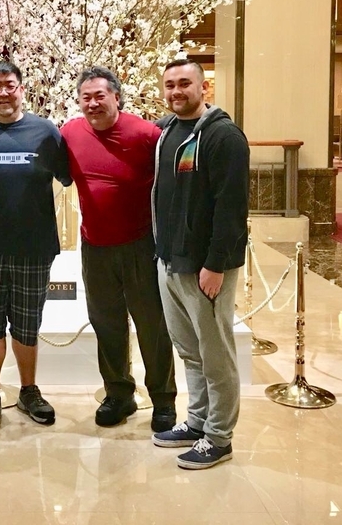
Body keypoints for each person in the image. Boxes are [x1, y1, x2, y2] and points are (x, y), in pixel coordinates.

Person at [0, 61, 71, 434]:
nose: (3, 92)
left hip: (33, 249)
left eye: (10, 85)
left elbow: (73, 174)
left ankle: (28, 390)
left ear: (22, 89)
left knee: (27, 325)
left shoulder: (45, 132)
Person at [60, 66, 177, 433]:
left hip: (141, 246)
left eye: (100, 96)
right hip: (94, 246)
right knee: (107, 324)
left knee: (151, 327)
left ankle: (163, 399)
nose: (93, 103)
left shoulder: (147, 134)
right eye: (86, 97)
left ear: (116, 97)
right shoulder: (69, 133)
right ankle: (118, 393)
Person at [151, 58, 249, 470]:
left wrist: (216, 264)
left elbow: (231, 207)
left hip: (204, 268)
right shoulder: (167, 131)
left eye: (185, 84)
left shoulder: (223, 136)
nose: (177, 92)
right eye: (170, 84)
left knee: (216, 354)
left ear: (203, 88)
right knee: (189, 351)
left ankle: (219, 436)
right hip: (170, 260)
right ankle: (196, 421)